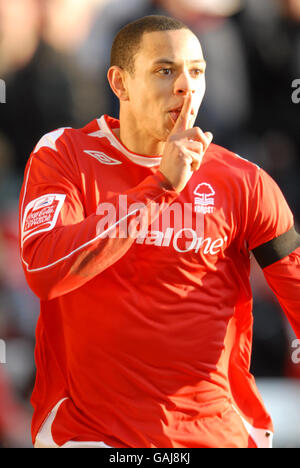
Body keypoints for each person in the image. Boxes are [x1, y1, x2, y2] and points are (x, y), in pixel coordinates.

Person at [19, 15, 300, 449]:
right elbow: (44, 270)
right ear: (120, 83)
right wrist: (159, 188)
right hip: (93, 438)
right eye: (165, 70)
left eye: (197, 71)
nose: (186, 85)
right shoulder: (65, 155)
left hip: (217, 435)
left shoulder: (244, 181)